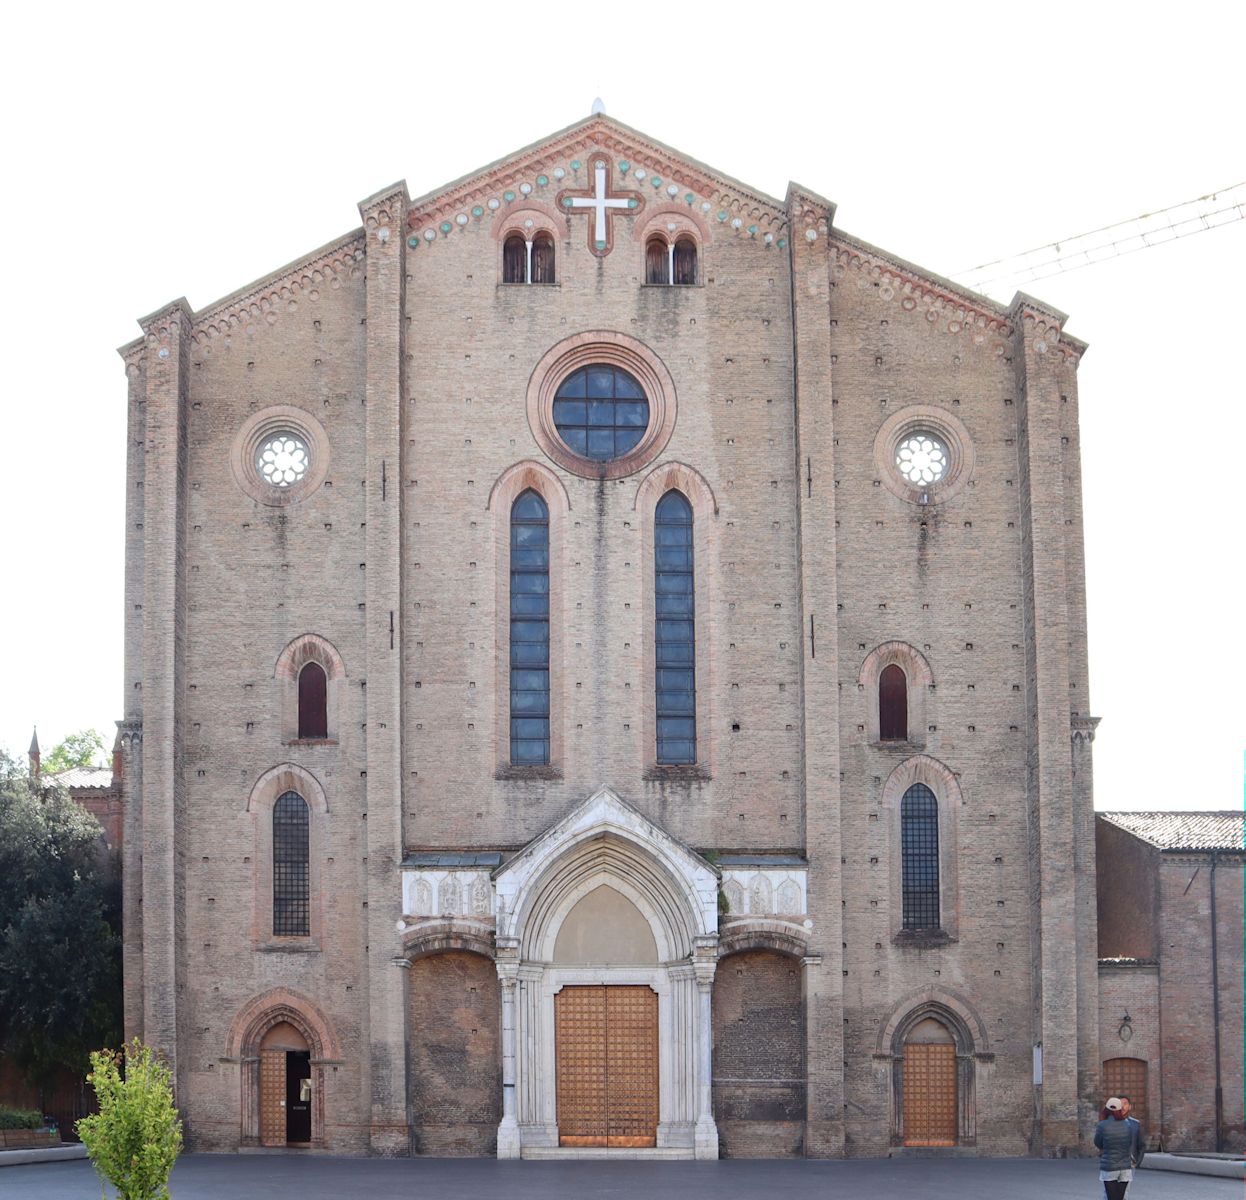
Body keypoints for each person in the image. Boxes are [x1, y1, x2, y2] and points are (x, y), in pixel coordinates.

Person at [1095, 1096, 1143, 1200]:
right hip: (1125, 1167)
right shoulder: (1127, 1124)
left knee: (1110, 1197)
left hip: (1109, 1166)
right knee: (1121, 1197)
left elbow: (1098, 1143)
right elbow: (1129, 1143)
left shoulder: (1102, 1125)